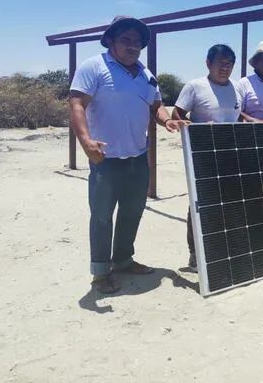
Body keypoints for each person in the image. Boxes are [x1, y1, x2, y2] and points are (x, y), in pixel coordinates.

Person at [69, 16, 187, 294]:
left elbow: (155, 106)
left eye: (138, 42)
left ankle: (122, 260)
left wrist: (166, 120)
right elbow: (76, 104)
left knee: (132, 212)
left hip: (137, 156)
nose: (133, 46)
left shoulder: (146, 75)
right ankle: (100, 272)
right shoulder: (93, 67)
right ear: (111, 40)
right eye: (126, 40)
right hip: (105, 159)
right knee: (101, 216)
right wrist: (86, 142)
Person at [171, 44, 242, 271]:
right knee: (200, 205)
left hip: (231, 156)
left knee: (228, 204)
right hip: (202, 156)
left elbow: (237, 119)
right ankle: (195, 254)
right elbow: (177, 116)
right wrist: (200, 128)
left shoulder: (236, 89)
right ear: (208, 63)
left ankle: (221, 249)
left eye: (229, 63)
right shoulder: (195, 87)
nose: (225, 67)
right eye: (220, 62)